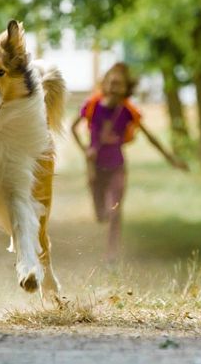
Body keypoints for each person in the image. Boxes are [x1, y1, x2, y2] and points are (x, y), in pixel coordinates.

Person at [71, 62, 187, 262]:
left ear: (126, 88)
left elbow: (150, 137)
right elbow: (73, 128)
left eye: (119, 84)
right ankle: (107, 235)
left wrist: (171, 159)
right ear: (104, 84)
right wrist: (85, 150)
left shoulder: (127, 111)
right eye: (111, 83)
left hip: (117, 167)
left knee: (115, 211)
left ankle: (111, 255)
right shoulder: (92, 106)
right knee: (101, 215)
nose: (114, 87)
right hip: (95, 169)